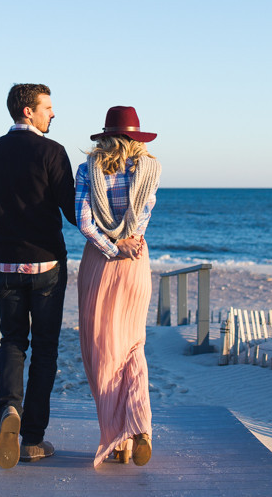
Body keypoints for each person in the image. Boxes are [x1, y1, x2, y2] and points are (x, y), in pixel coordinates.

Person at [0, 83, 76, 468]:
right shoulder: (52, 152)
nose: (53, 114)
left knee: (13, 342)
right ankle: (32, 438)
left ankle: (9, 413)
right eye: (48, 107)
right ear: (28, 111)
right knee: (46, 349)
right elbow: (70, 209)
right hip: (47, 266)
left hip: (5, 266)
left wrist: (2, 245)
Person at [76, 105, 161, 468]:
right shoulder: (150, 170)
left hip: (101, 264)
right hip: (136, 262)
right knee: (133, 346)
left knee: (102, 354)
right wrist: (126, 243)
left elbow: (84, 222)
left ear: (106, 135)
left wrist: (111, 246)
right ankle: (139, 425)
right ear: (135, 138)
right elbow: (139, 223)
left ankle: (117, 439)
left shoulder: (87, 170)